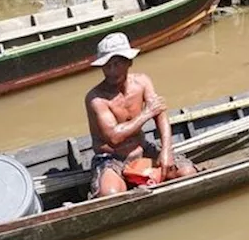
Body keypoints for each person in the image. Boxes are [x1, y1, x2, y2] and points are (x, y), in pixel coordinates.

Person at [84, 32, 196, 198]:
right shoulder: (96, 98)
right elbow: (114, 137)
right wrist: (146, 114)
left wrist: (166, 150)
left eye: (117, 64)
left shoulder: (142, 82)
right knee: (110, 194)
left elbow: (160, 113)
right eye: (107, 66)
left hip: (142, 149)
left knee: (187, 173)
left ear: (129, 62)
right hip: (112, 158)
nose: (112, 71)